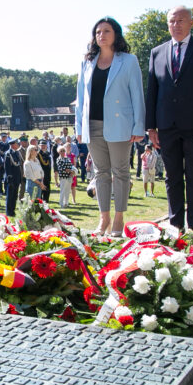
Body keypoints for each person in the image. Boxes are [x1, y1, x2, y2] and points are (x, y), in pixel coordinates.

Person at [144, 6, 193, 233]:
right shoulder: (157, 53)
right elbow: (152, 92)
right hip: (166, 126)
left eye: (180, 21)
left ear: (191, 23)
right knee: (172, 176)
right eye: (172, 21)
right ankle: (176, 225)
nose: (176, 25)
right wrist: (151, 127)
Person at [75, 16, 145, 236]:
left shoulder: (128, 61)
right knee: (100, 173)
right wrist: (78, 127)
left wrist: (138, 126)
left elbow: (137, 95)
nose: (101, 35)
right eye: (98, 32)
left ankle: (118, 219)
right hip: (92, 125)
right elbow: (80, 98)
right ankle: (103, 218)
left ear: (115, 34)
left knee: (121, 172)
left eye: (106, 31)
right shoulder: (87, 62)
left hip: (120, 124)